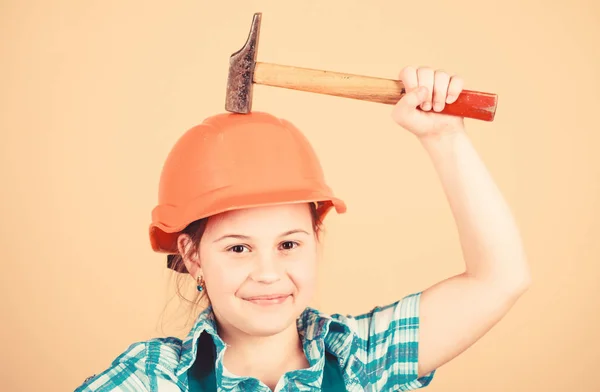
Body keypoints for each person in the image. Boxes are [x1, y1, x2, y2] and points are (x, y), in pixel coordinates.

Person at [75, 66, 531, 391]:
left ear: (316, 240)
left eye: (289, 243)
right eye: (238, 249)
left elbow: (500, 279)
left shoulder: (360, 360)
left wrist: (445, 138)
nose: (269, 272)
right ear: (193, 256)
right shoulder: (153, 379)